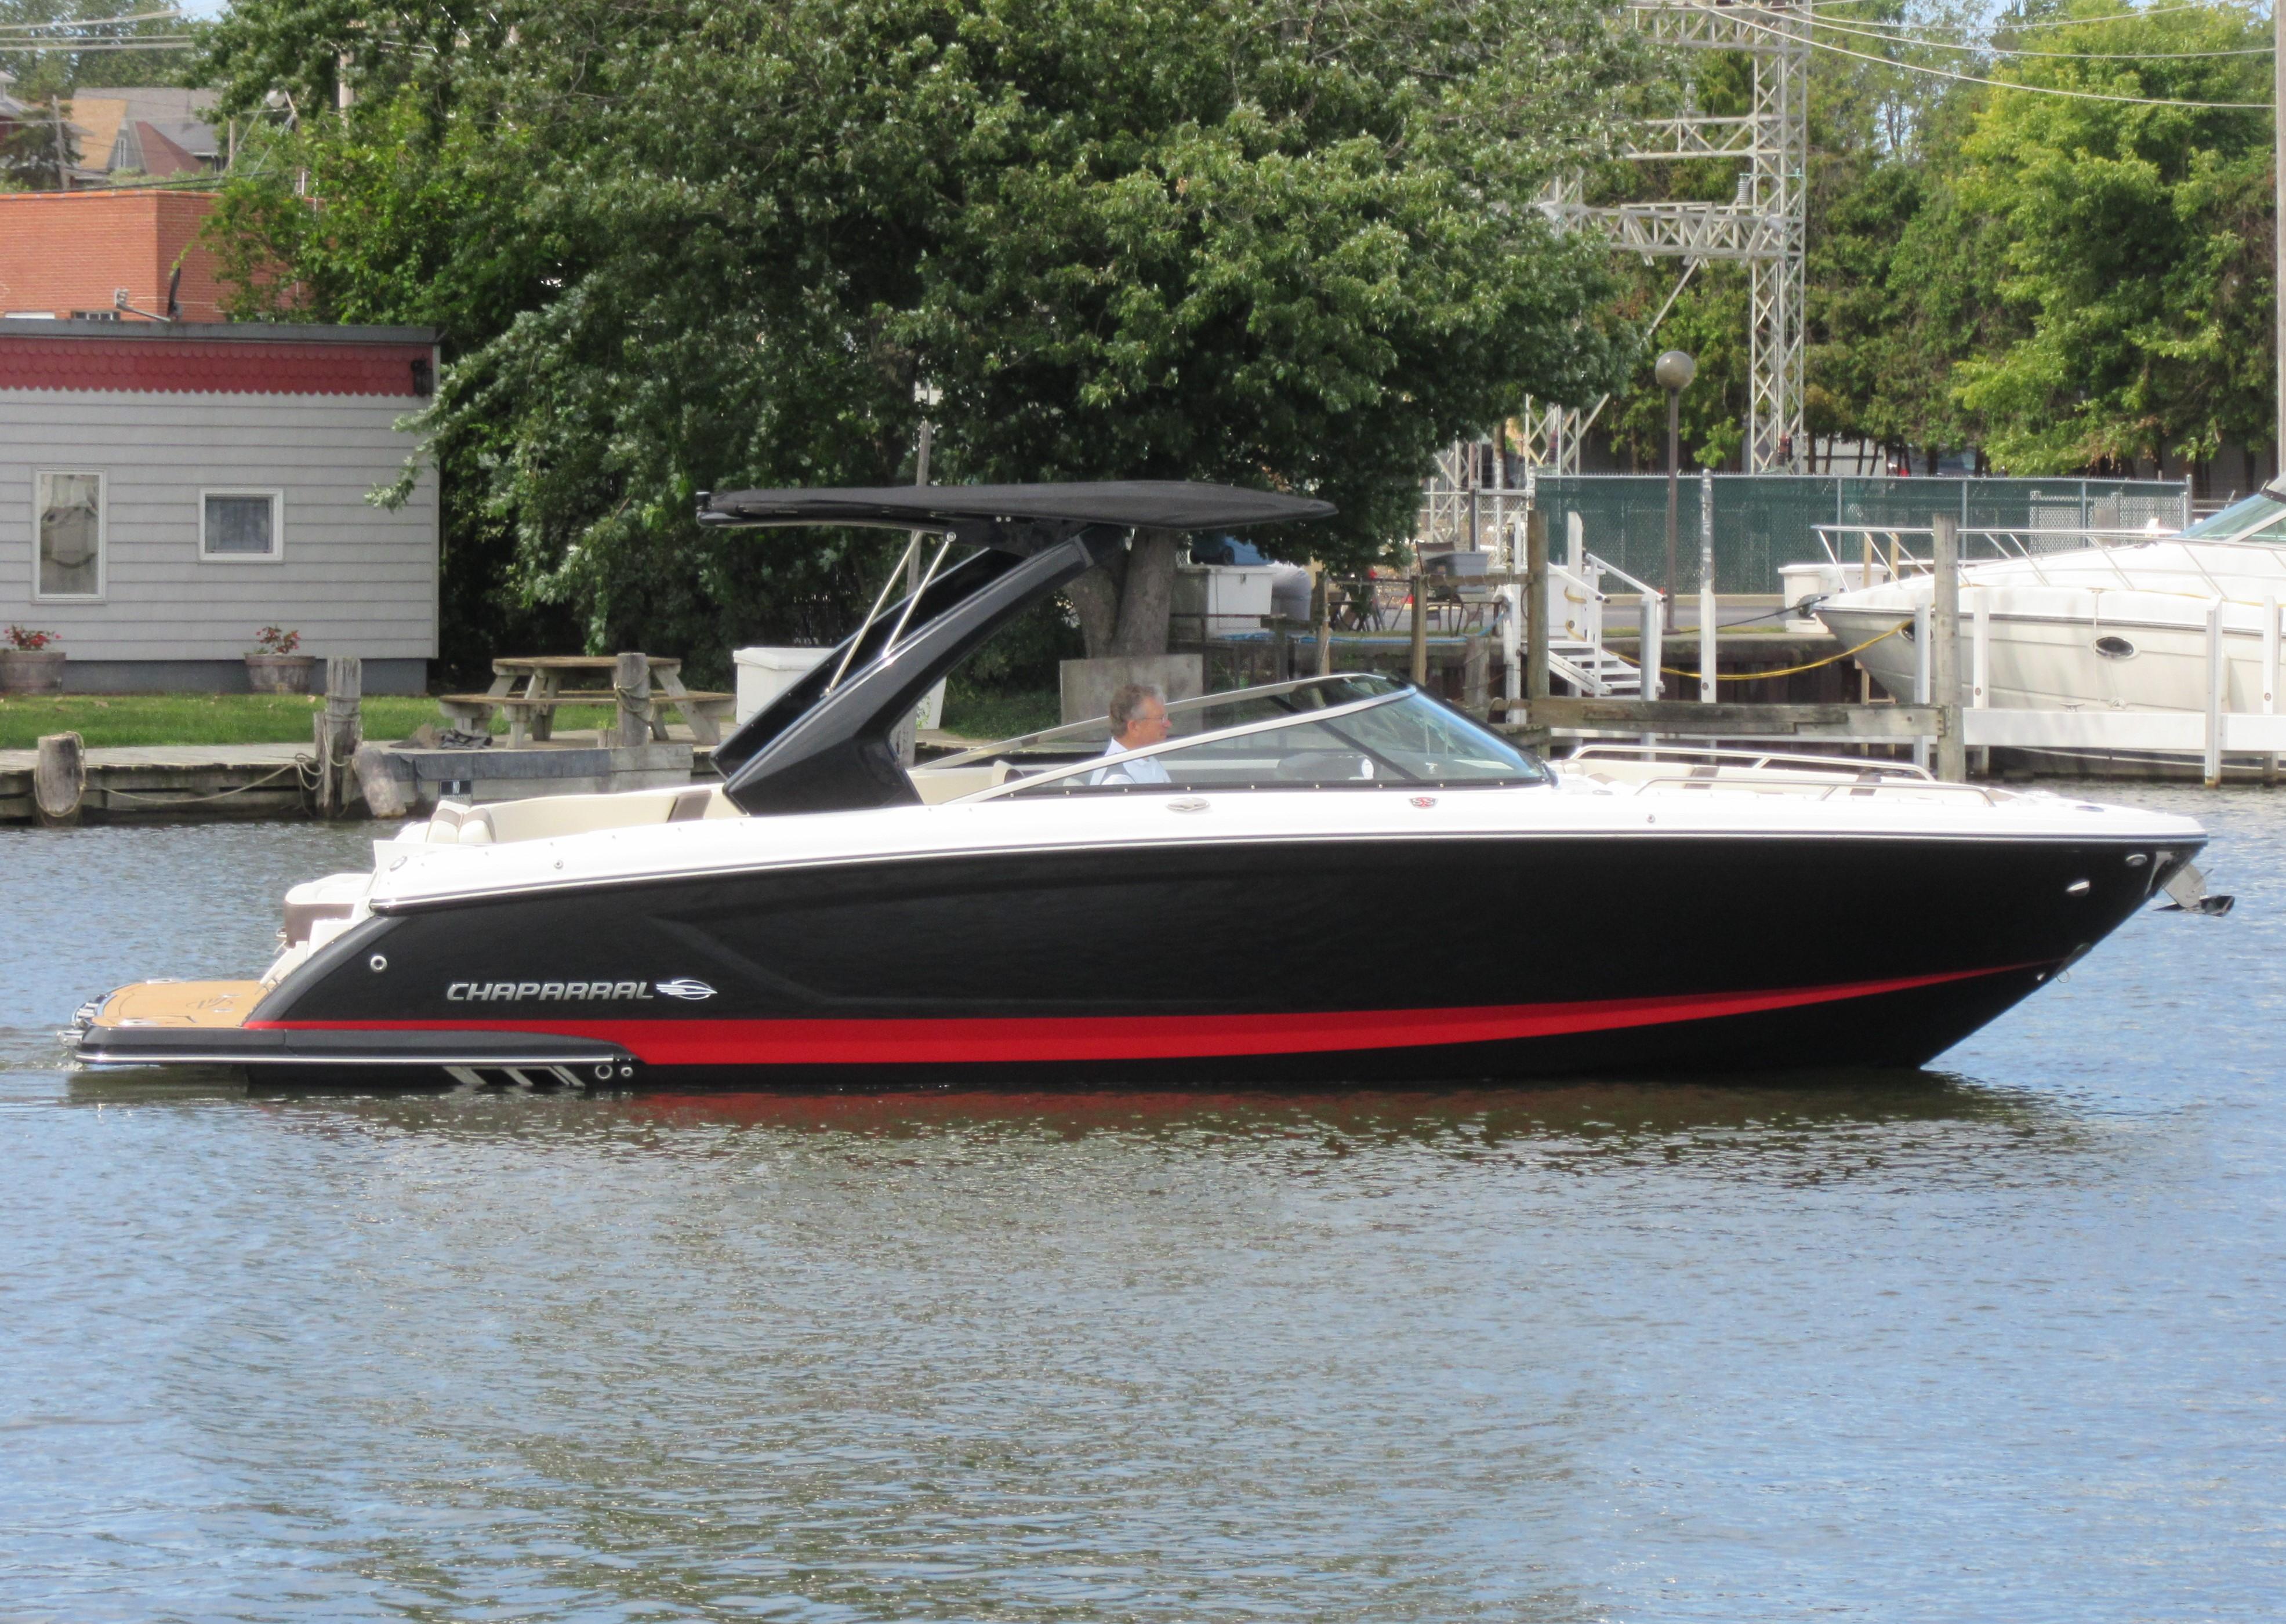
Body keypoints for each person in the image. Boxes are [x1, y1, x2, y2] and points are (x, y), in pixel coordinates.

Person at [1090, 682, 1173, 784]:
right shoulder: (1116, 780)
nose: (1168, 724)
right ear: (1134, 727)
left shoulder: (1147, 759)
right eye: (1161, 718)